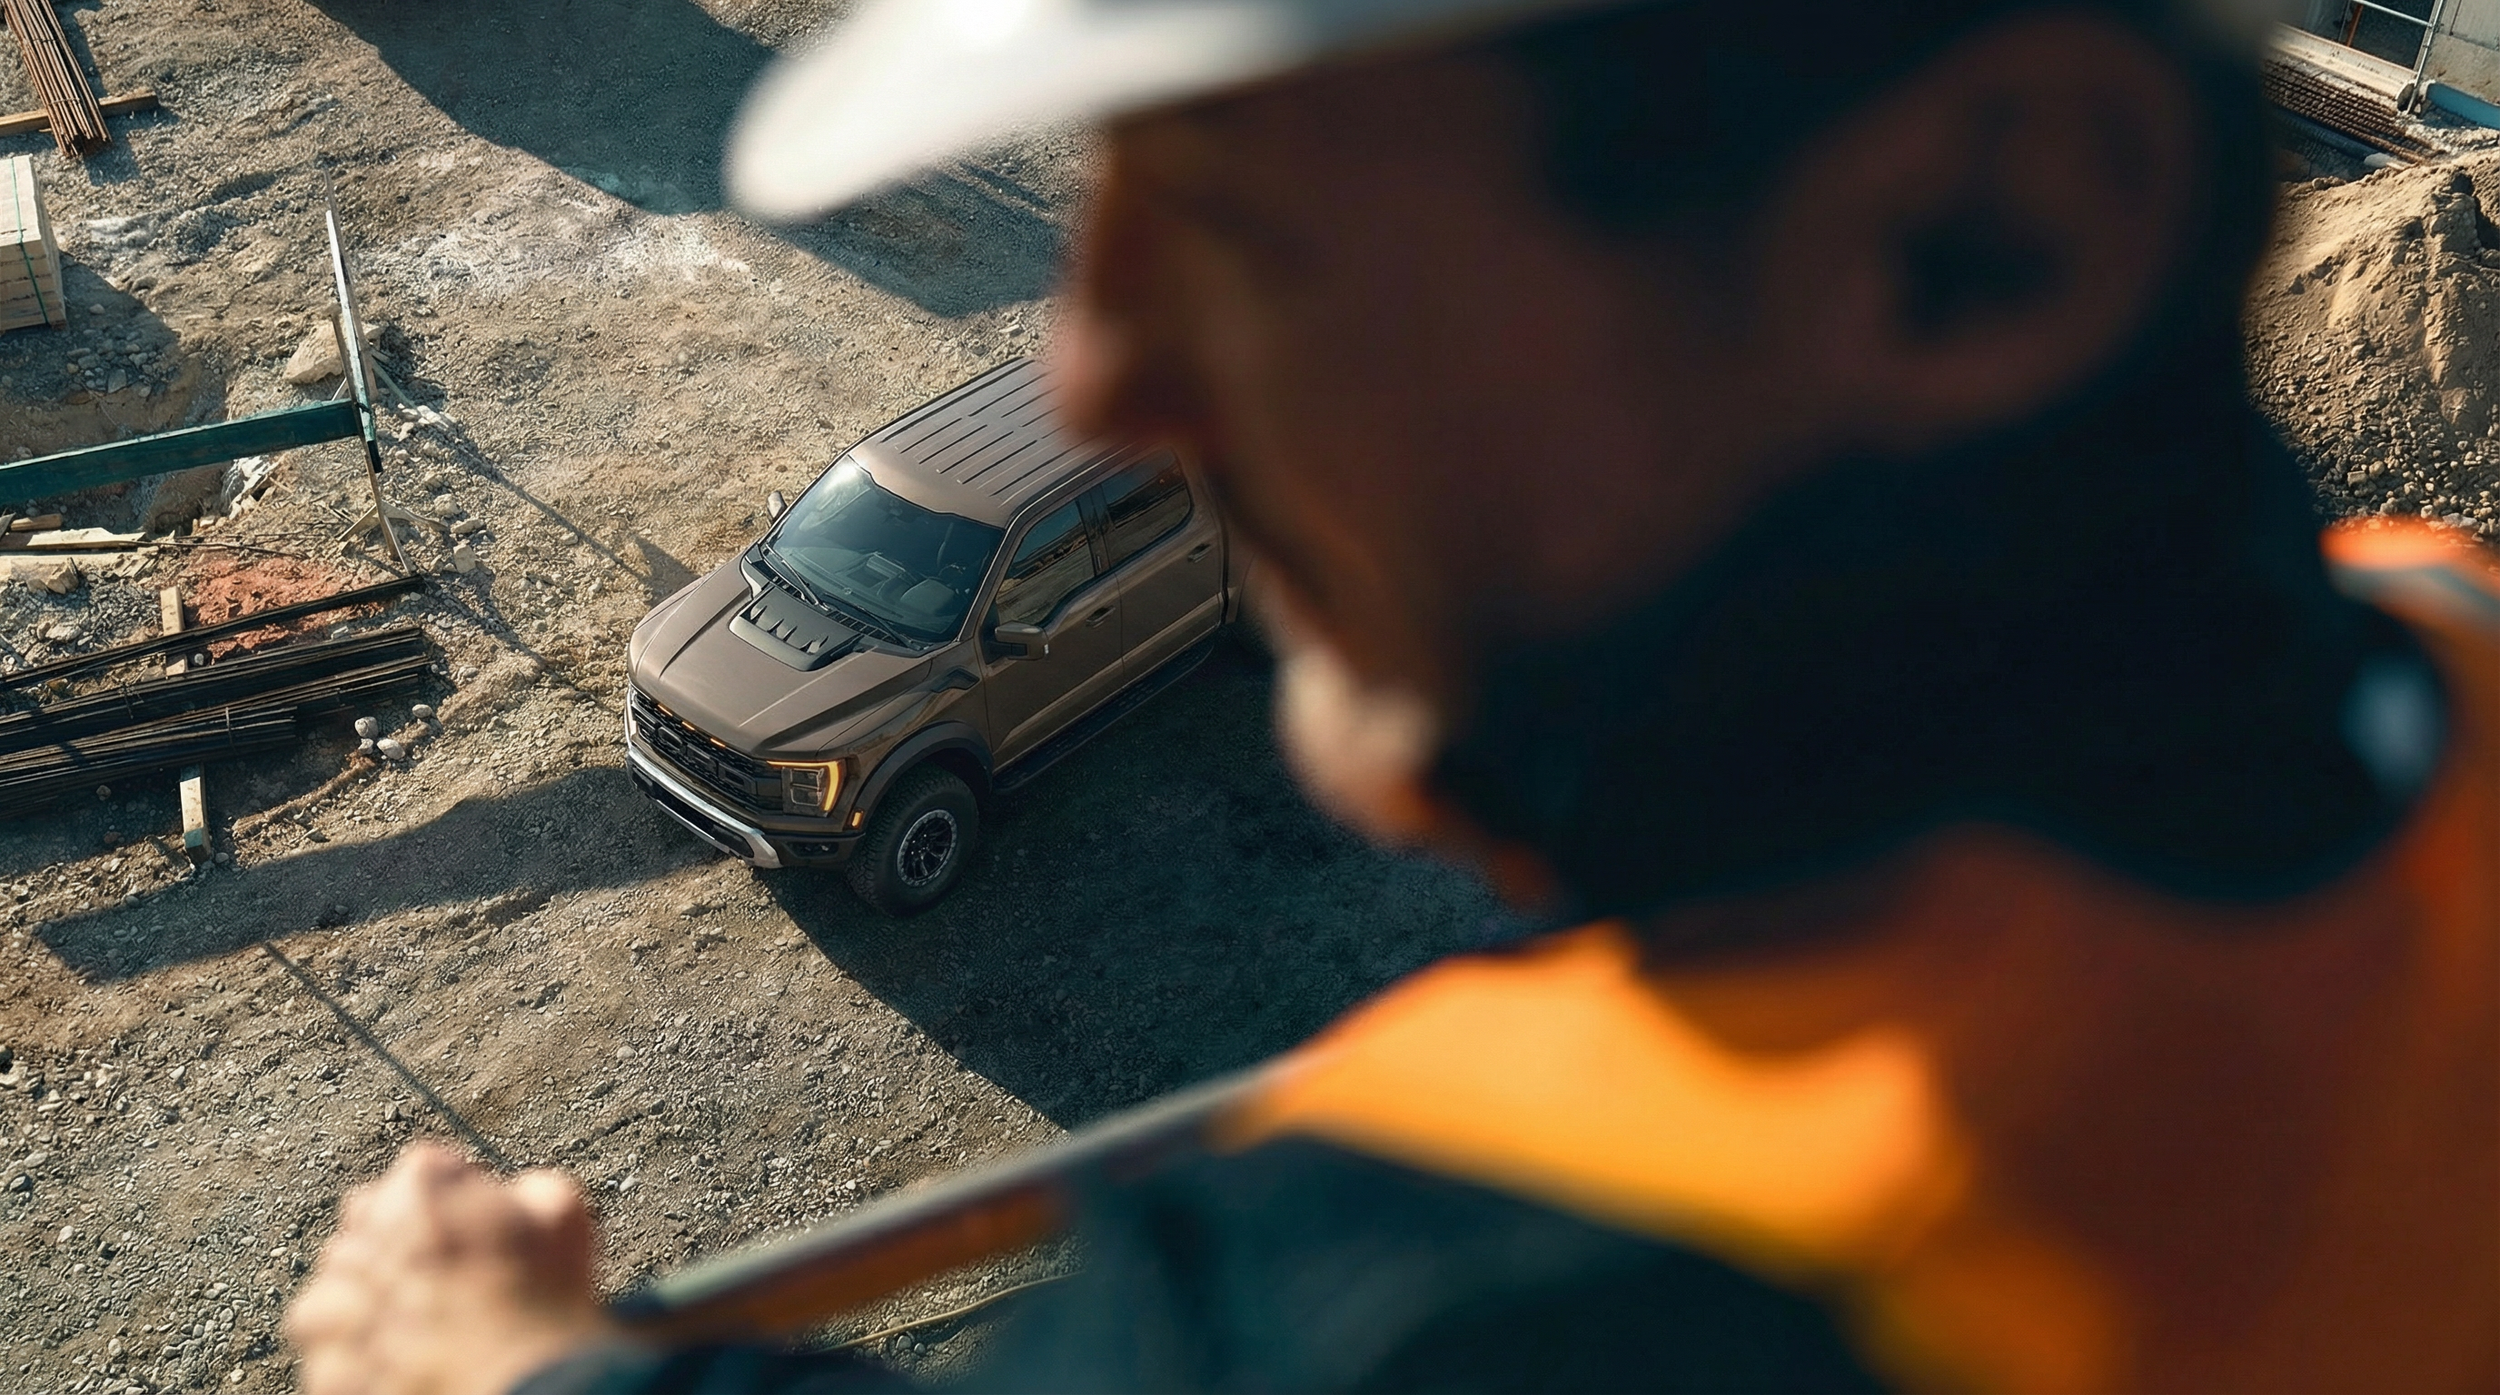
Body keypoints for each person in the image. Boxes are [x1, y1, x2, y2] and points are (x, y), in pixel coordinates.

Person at [285, 0, 2500, 1390]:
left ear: (1981, 233)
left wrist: (528, 1370)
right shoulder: (2437, 643)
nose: (1105, 374)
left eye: (1244, 227)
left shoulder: (1451, 1278)